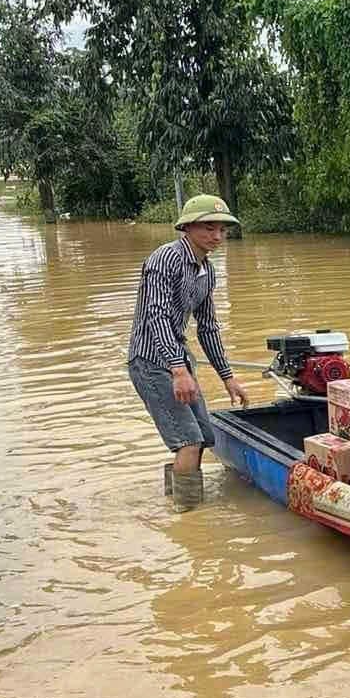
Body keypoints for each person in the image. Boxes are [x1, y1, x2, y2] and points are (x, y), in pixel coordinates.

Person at [126, 195, 251, 507]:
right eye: (209, 228)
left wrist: (228, 377)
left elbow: (208, 327)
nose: (217, 236)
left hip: (179, 358)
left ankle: (177, 501)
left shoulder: (206, 271)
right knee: (189, 442)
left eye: (222, 230)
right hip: (151, 360)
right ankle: (189, 518)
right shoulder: (164, 260)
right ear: (188, 227)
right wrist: (178, 371)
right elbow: (156, 317)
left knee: (205, 437)